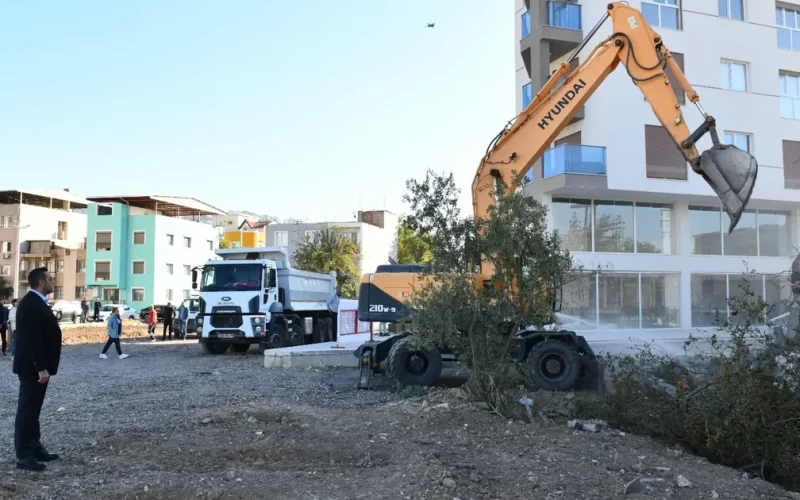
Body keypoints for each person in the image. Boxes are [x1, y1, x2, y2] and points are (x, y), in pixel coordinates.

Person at [13, 267, 62, 471]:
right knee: (27, 411)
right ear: (41, 282)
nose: (53, 282)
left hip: (38, 367)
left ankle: (34, 447)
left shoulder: (36, 302)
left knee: (33, 410)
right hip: (33, 368)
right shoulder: (31, 304)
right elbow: (33, 339)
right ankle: (24, 455)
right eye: (50, 279)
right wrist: (40, 368)